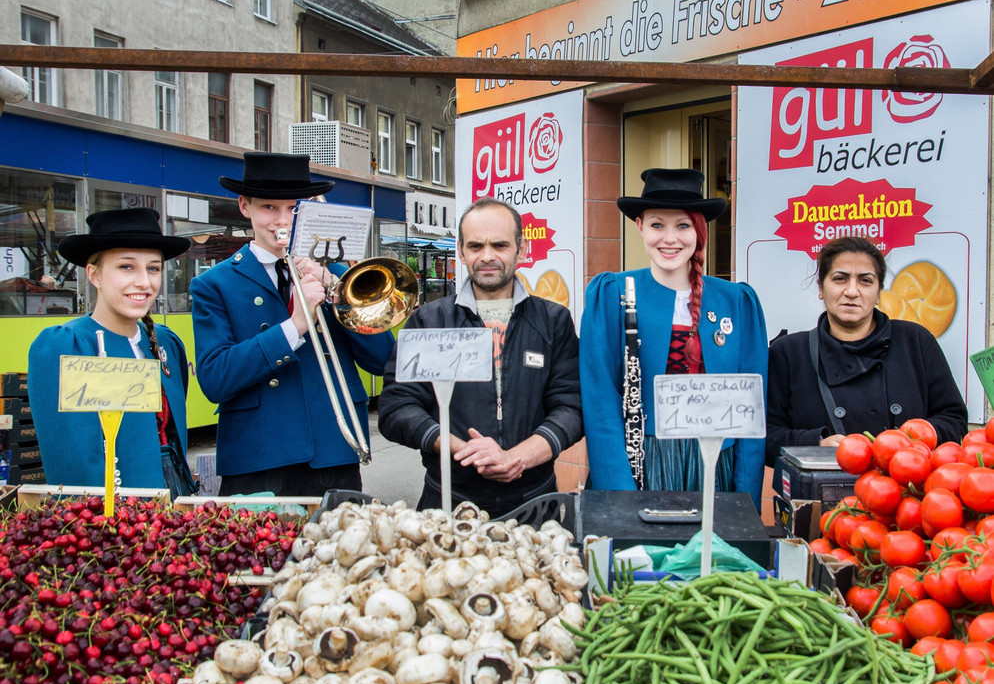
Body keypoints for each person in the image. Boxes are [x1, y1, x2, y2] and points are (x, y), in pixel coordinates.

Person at [190, 153, 396, 496]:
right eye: (269, 207)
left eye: (294, 208)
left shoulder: (337, 276)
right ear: (244, 206)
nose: (283, 220)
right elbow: (214, 379)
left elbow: (383, 361)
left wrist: (337, 292)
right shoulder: (215, 284)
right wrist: (296, 325)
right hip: (256, 457)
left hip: (333, 451)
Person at [378, 197, 583, 517]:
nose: (487, 256)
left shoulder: (553, 321)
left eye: (499, 245)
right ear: (461, 251)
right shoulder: (431, 321)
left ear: (522, 249)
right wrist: (468, 452)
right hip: (447, 501)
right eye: (475, 246)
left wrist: (516, 458)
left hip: (536, 504)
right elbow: (396, 408)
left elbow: (571, 407)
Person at [580, 168, 768, 510]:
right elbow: (600, 401)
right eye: (657, 225)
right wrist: (619, 493)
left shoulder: (737, 302)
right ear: (640, 226)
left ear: (700, 229)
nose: (670, 238)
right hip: (642, 463)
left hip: (716, 464)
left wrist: (746, 501)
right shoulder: (610, 293)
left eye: (683, 225)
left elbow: (752, 410)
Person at [28, 208, 197, 497]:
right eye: (126, 267)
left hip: (176, 499)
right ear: (94, 274)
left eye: (153, 268)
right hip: (113, 511)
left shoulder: (166, 343)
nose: (144, 282)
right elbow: (71, 460)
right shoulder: (67, 345)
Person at [766, 236, 967, 467]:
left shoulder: (916, 342)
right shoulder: (789, 353)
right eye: (840, 279)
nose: (852, 291)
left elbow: (954, 420)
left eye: (865, 281)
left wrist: (908, 441)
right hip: (820, 488)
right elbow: (766, 436)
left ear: (879, 292)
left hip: (904, 485)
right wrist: (816, 444)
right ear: (821, 288)